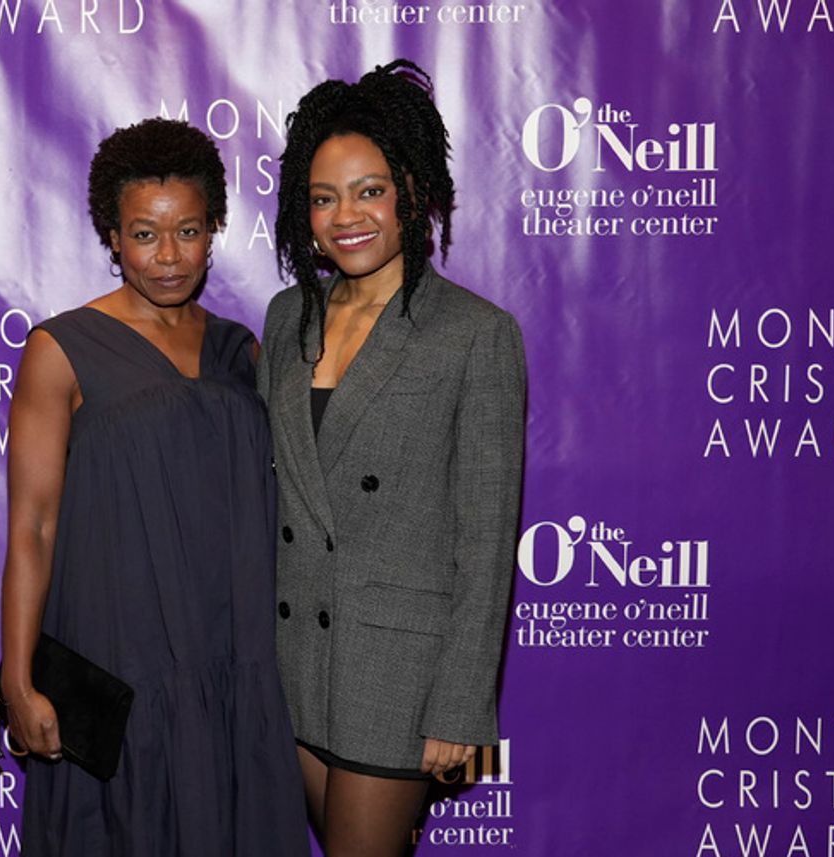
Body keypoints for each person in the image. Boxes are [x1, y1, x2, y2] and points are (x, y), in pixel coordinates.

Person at [0, 117, 309, 857]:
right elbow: (32, 525)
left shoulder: (243, 349)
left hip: (235, 656)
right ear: (112, 235)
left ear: (215, 228)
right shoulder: (59, 348)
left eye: (189, 231)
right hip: (121, 652)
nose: (169, 256)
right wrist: (18, 677)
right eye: (144, 234)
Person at [259, 60, 526, 857]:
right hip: (292, 657)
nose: (347, 216)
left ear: (413, 190)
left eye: (370, 190)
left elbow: (486, 542)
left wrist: (463, 714)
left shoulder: (476, 333)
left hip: (401, 672)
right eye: (324, 196)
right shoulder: (284, 318)